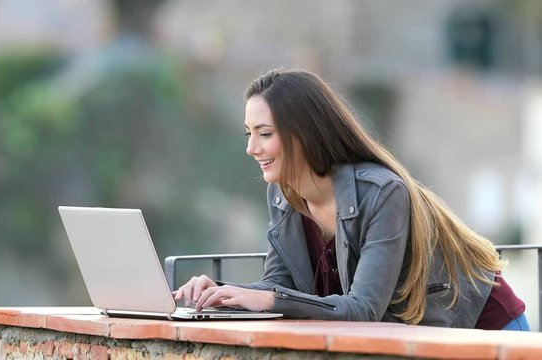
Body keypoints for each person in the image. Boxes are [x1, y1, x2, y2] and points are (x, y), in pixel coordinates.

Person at [173, 69, 529, 330]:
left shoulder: (382, 193)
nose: (251, 148)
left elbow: (363, 309)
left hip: (486, 326)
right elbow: (276, 286)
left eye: (265, 134)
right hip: (420, 335)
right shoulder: (283, 196)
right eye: (249, 134)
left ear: (304, 134)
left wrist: (270, 299)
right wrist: (221, 292)